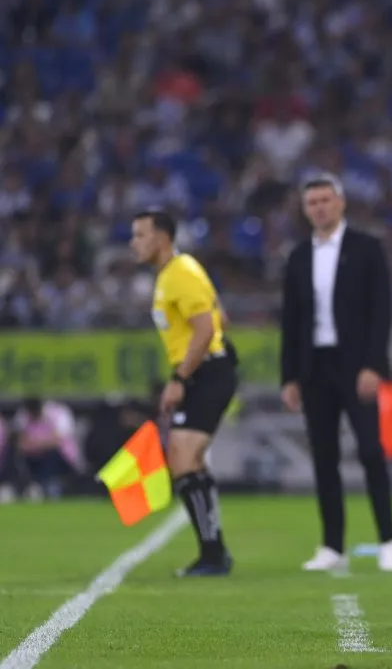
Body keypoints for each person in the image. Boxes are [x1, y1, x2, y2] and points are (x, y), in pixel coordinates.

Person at [279, 174, 392, 574]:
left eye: (325, 200)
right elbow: (290, 319)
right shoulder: (299, 256)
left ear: (341, 203)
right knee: (323, 456)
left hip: (356, 365)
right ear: (305, 210)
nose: (319, 208)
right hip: (315, 366)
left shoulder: (367, 248)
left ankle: (388, 542)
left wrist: (373, 365)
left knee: (370, 451)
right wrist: (289, 376)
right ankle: (332, 545)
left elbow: (381, 311)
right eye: (312, 202)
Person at [129, 207, 238, 577]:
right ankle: (213, 551)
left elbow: (206, 329)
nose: (134, 243)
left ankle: (214, 554)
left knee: (184, 458)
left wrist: (179, 377)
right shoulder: (173, 274)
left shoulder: (180, 273)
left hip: (205, 372)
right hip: (203, 370)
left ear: (162, 238)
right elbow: (220, 317)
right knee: (186, 460)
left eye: (140, 235)